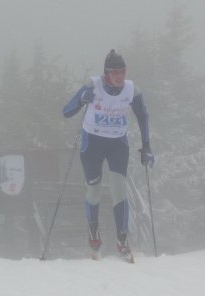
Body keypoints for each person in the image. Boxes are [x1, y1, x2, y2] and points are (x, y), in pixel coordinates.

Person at [62, 49, 154, 261]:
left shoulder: (132, 90)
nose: (120, 77)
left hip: (117, 145)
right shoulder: (92, 86)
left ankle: (122, 239)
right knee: (93, 190)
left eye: (123, 72)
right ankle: (94, 233)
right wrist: (81, 100)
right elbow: (66, 111)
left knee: (118, 190)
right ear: (106, 73)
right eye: (115, 72)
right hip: (92, 144)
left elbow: (143, 116)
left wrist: (146, 146)